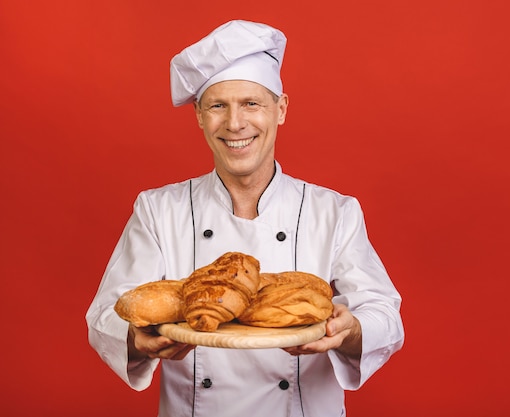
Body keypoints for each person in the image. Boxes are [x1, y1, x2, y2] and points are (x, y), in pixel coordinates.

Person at [86, 19, 404, 417]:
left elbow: (384, 316)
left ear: (281, 109)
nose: (235, 123)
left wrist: (351, 329)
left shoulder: (334, 211)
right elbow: (105, 316)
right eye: (218, 105)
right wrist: (137, 337)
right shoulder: (157, 209)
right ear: (200, 117)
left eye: (251, 103)